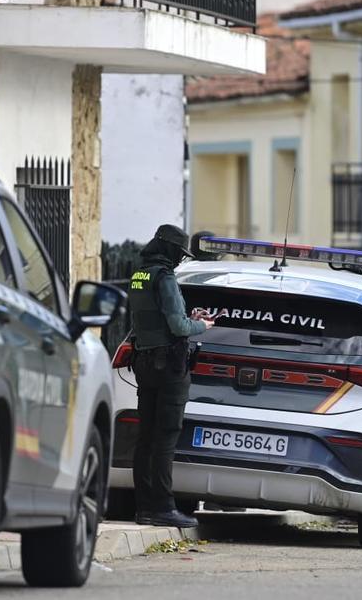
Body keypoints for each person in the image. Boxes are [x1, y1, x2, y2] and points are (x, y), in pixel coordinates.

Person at [128, 224, 214, 528]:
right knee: (165, 438)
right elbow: (178, 328)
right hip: (169, 368)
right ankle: (163, 507)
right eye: (178, 254)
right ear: (168, 249)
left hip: (145, 363)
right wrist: (202, 326)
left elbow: (152, 319)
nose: (179, 260)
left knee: (146, 438)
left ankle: (144, 508)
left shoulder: (139, 275)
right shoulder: (164, 277)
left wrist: (185, 320)